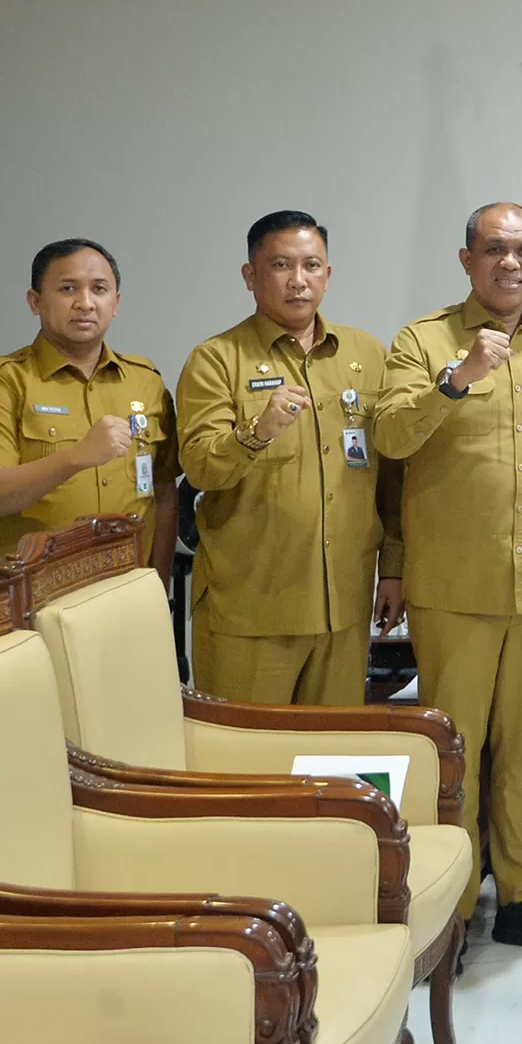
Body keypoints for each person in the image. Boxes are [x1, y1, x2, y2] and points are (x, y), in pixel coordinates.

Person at [373, 202, 522, 961]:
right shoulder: (422, 341)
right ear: (467, 259)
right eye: (493, 249)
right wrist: (457, 380)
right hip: (454, 586)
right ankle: (448, 906)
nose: (510, 262)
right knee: (453, 751)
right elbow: (390, 441)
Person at [176, 211, 403, 706]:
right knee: (245, 752)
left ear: (328, 274)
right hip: (250, 608)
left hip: (343, 606)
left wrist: (394, 568)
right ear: (250, 276)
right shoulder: (216, 359)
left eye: (311, 265)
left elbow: (390, 478)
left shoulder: (366, 353)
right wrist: (257, 432)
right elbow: (200, 468)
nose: (298, 280)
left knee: (333, 748)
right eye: (281, 265)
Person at [0, 239, 178, 577]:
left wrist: (158, 585)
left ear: (115, 303)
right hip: (33, 592)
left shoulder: (145, 381)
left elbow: (162, 493)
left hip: (127, 588)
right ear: (35, 301)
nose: (85, 303)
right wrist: (77, 457)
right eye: (68, 288)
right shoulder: (3, 381)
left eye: (99, 289)